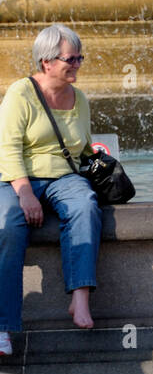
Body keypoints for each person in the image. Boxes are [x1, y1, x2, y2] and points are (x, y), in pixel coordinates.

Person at [0, 24, 101, 355]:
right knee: (8, 226)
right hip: (17, 178)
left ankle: (80, 299)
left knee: (86, 205)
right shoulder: (20, 93)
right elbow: (8, 148)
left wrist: (99, 159)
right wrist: (25, 192)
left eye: (79, 58)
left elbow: (82, 148)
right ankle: (3, 326)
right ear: (46, 62)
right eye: (70, 58)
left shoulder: (80, 98)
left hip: (64, 177)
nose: (76, 64)